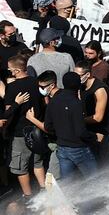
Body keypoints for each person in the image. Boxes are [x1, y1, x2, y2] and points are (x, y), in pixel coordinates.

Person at [43, 72, 98, 180]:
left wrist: (61, 132)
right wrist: (94, 137)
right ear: (78, 85)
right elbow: (81, 132)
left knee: (68, 183)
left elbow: (48, 126)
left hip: (62, 148)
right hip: (78, 148)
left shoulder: (53, 100)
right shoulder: (76, 103)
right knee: (95, 179)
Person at [4, 54, 44, 198]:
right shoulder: (36, 82)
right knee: (38, 163)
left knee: (20, 167)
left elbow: (8, 112)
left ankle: (28, 196)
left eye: (10, 69)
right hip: (37, 129)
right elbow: (43, 102)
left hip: (20, 133)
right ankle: (45, 190)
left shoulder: (12, 87)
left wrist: (16, 103)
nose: (9, 71)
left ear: (17, 70)